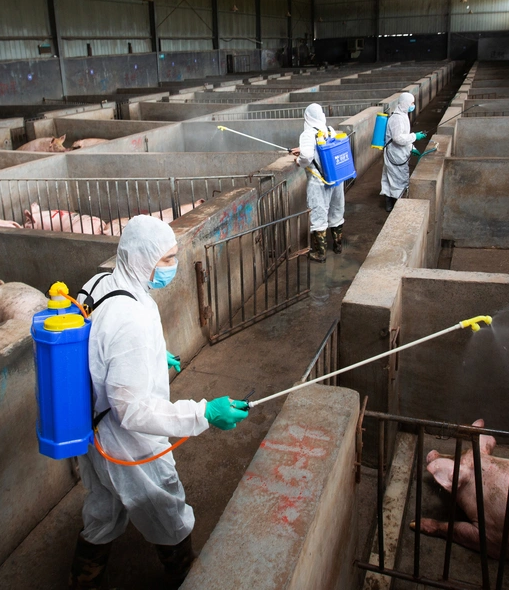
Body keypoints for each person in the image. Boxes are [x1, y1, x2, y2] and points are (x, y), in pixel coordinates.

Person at [69, 215, 249, 589]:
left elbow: (98, 345)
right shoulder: (131, 318)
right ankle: (185, 574)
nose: (174, 267)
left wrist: (153, 355)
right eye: (166, 259)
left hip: (91, 430)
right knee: (167, 509)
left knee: (103, 509)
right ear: (139, 258)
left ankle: (84, 579)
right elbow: (133, 410)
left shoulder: (101, 283)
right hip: (127, 443)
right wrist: (202, 413)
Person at [291, 103, 345, 262]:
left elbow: (307, 156)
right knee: (336, 210)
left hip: (318, 181)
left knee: (318, 214)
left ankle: (320, 253)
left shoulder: (307, 134)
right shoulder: (329, 130)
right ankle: (337, 245)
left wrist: (299, 161)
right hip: (335, 178)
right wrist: (303, 149)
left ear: (307, 117)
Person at [380, 92, 427, 212]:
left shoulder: (403, 116)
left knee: (393, 177)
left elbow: (404, 136)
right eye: (411, 103)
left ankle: (391, 201)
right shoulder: (397, 118)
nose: (413, 105)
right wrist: (415, 136)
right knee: (399, 178)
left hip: (399, 152)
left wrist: (412, 148)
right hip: (395, 154)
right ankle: (397, 204)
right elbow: (398, 138)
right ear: (405, 103)